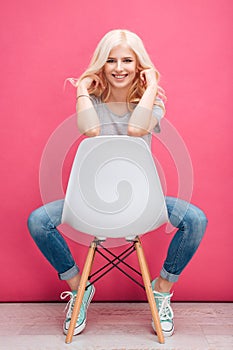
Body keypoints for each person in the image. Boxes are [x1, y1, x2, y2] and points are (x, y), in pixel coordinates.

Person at [27, 29, 208, 337]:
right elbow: (89, 131)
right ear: (102, 64)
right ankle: (79, 288)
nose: (119, 67)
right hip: (90, 201)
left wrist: (151, 87)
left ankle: (162, 288)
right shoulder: (92, 100)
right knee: (38, 221)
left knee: (195, 220)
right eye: (111, 60)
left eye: (127, 60)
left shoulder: (152, 104)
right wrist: (82, 89)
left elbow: (137, 130)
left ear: (139, 65)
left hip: (142, 202)